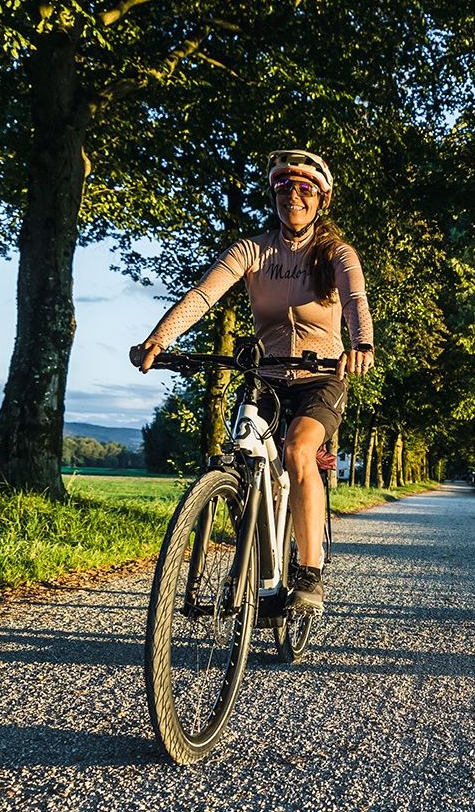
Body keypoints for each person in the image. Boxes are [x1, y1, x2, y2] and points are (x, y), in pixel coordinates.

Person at [130, 148, 374, 615]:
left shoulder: (337, 254)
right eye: (284, 187)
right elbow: (204, 293)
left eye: (304, 188)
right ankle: (258, 568)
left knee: (299, 450)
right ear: (274, 196)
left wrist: (361, 345)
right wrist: (158, 338)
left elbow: (355, 302)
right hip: (263, 375)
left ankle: (308, 571)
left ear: (321, 198)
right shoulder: (251, 250)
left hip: (320, 376)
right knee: (245, 457)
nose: (293, 196)